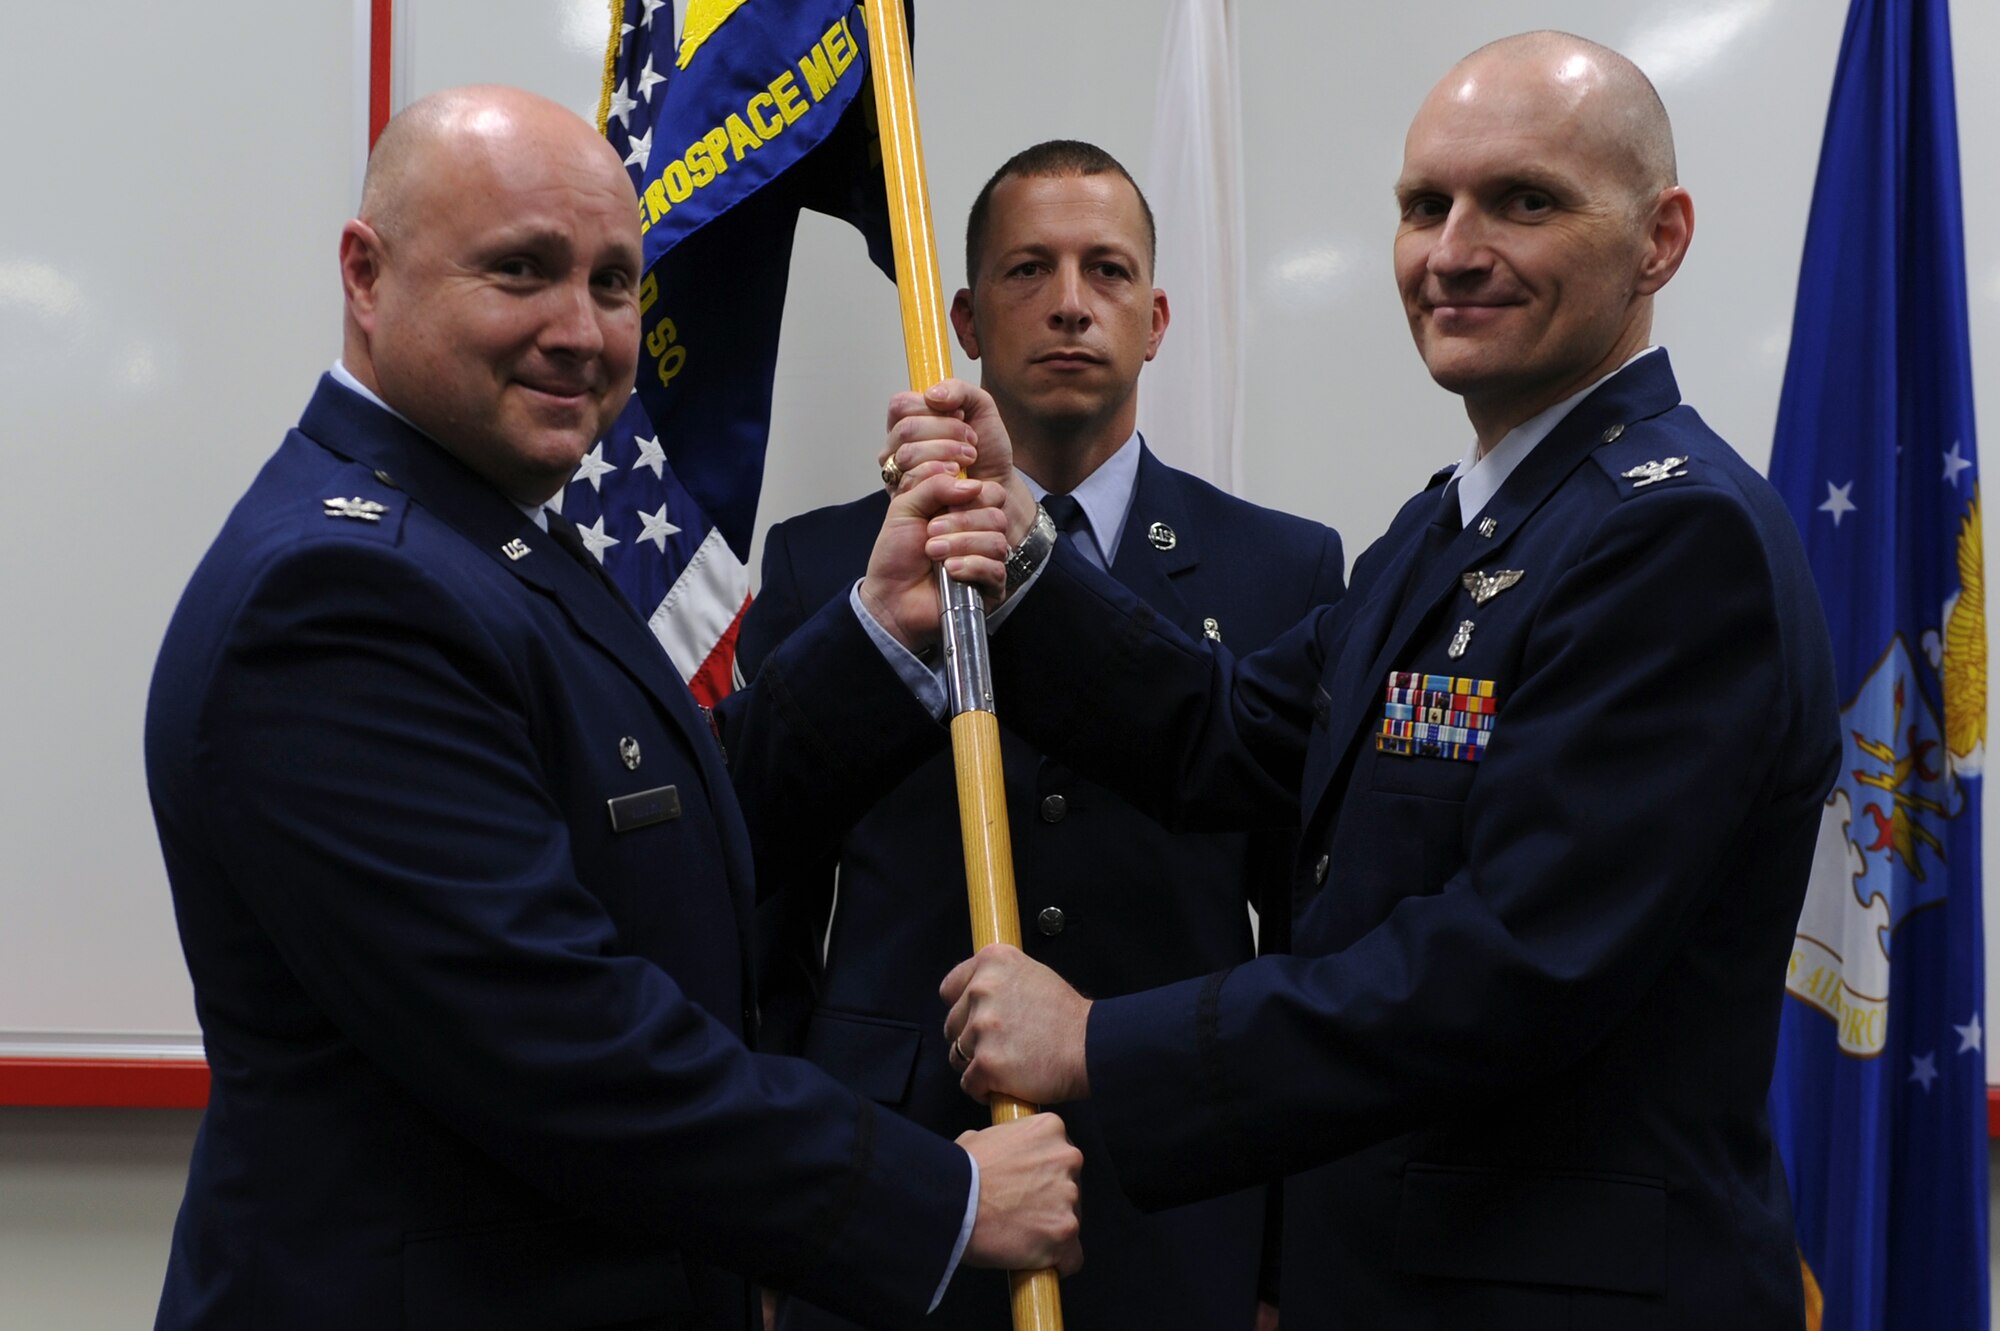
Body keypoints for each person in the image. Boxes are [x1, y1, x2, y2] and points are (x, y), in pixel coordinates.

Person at [884, 31, 1840, 1329]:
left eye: (1525, 200)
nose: (1453, 247)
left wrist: (1100, 1038)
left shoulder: (1676, 539)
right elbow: (1226, 732)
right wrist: (1019, 536)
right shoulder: (1452, 527)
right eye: (1424, 204)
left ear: (1660, 239)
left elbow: (1503, 966)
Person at [143, 85, 1082, 1331]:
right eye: (522, 271)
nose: (580, 331)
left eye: (614, 282)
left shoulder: (482, 527)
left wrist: (877, 629)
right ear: (366, 276)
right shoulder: (338, 593)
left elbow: (653, 826)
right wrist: (940, 1194)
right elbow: (559, 1041)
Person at [737, 141, 1345, 1330]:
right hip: (896, 1176)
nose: (1070, 301)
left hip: (1179, 1186)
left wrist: (1279, 1255)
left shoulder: (1284, 564)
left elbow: (1302, 930)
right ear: (960, 313)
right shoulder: (827, 563)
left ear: (1157, 316)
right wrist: (778, 1201)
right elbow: (763, 926)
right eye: (1027, 269)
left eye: (1106, 269)